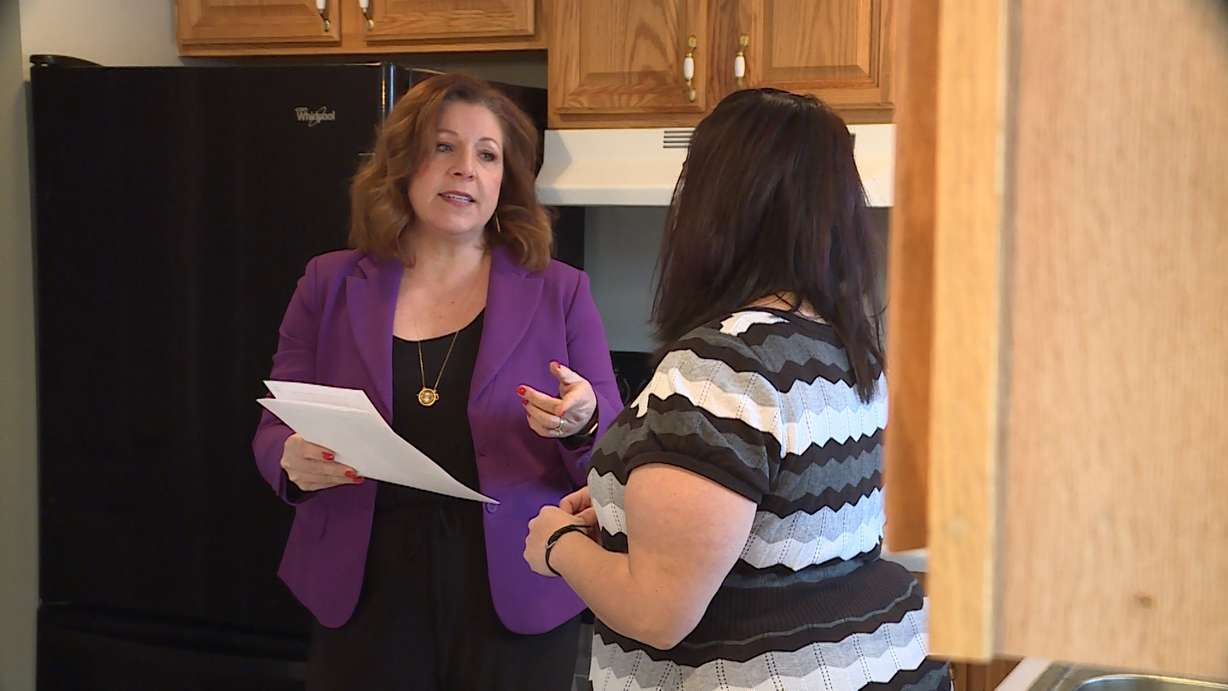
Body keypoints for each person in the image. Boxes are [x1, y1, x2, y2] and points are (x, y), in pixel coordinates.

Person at [525, 88, 953, 691]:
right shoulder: (846, 349)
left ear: (713, 205)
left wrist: (558, 545)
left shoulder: (717, 367)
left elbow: (657, 613)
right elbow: (782, 525)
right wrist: (625, 513)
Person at [252, 73, 621, 691]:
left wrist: (582, 422)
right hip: (363, 584)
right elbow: (275, 423)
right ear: (404, 162)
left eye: (487, 154)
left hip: (518, 580)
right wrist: (290, 460)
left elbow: (612, 442)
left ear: (506, 180)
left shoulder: (561, 291)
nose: (464, 170)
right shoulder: (329, 283)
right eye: (443, 147)